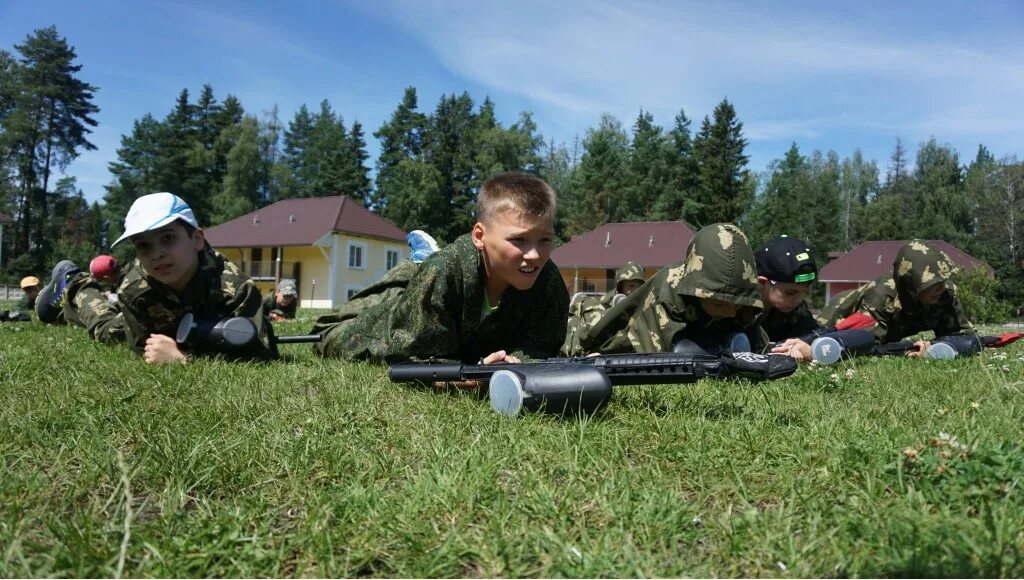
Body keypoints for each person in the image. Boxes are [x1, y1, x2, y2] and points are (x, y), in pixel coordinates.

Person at [310, 172, 569, 364]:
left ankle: (424, 262)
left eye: (545, 240)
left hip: (440, 287)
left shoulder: (549, 282)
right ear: (479, 236)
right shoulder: (445, 273)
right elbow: (423, 356)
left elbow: (541, 348)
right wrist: (476, 371)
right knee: (327, 336)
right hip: (409, 309)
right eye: (519, 240)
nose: (535, 255)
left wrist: (516, 361)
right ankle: (419, 264)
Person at [36, 192, 273, 363]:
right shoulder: (134, 288)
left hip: (189, 322)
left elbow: (262, 354)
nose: (156, 254)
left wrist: (185, 359)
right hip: (160, 315)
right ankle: (76, 284)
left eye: (168, 238)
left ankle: (60, 311)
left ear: (197, 239)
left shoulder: (235, 288)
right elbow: (145, 349)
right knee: (106, 332)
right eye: (143, 246)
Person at [577, 223, 767, 355]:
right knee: (584, 322)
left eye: (737, 304)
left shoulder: (740, 302)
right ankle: (582, 303)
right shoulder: (669, 289)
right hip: (604, 338)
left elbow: (760, 348)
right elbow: (667, 360)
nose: (730, 312)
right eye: (718, 303)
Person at [822, 240, 976, 357]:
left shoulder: (945, 293)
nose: (941, 289)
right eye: (934, 284)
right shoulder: (881, 297)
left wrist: (935, 345)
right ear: (912, 284)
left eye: (944, 281)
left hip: (889, 333)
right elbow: (867, 346)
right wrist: (908, 349)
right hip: (837, 317)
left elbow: (963, 337)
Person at [753, 235, 822, 361]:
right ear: (762, 283)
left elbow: (814, 333)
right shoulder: (742, 309)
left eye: (804, 292)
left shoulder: (794, 308)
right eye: (790, 292)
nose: (799, 299)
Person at [561, 261, 646, 356]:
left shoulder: (645, 304)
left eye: (639, 287)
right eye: (631, 286)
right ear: (621, 286)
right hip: (589, 335)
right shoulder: (608, 300)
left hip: (611, 344)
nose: (635, 290)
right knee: (585, 307)